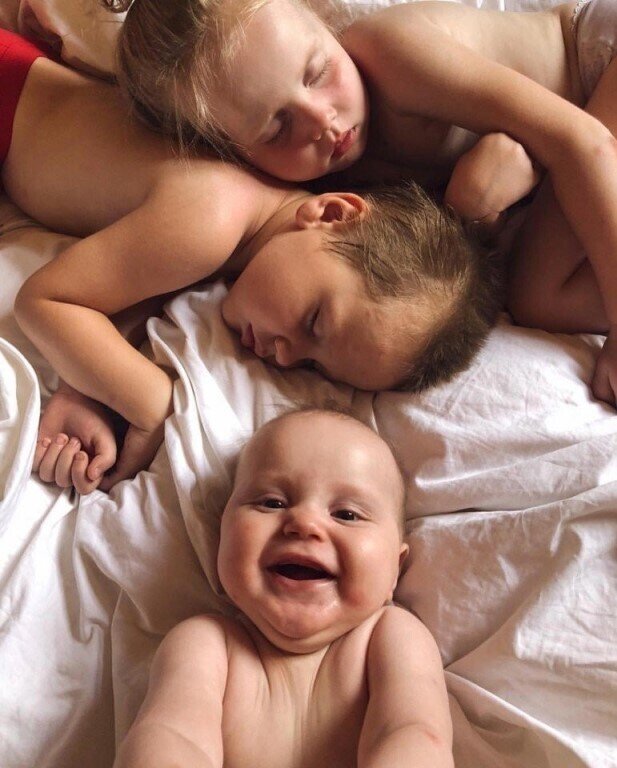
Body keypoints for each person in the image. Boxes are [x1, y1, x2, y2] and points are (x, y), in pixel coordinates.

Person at [0, 29, 501, 493]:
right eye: (314, 321)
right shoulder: (211, 219)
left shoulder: (252, 231)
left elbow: (130, 283)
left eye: (311, 365)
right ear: (332, 214)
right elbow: (45, 301)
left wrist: (83, 391)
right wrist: (151, 401)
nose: (284, 355)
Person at [106, 0, 617, 405]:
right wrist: (105, 376)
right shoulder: (313, 192)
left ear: (320, 21)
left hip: (600, 62)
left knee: (536, 294)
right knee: (540, 298)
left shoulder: (392, 55)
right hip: (568, 151)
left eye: (316, 72)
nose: (323, 122)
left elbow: (580, 142)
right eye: (277, 128)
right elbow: (180, 261)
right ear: (235, 153)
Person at [113, 407, 454, 768]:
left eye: (346, 514)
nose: (304, 523)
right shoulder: (207, 643)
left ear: (394, 570)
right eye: (272, 503)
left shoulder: (392, 637)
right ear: (221, 537)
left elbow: (413, 733)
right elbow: (170, 733)